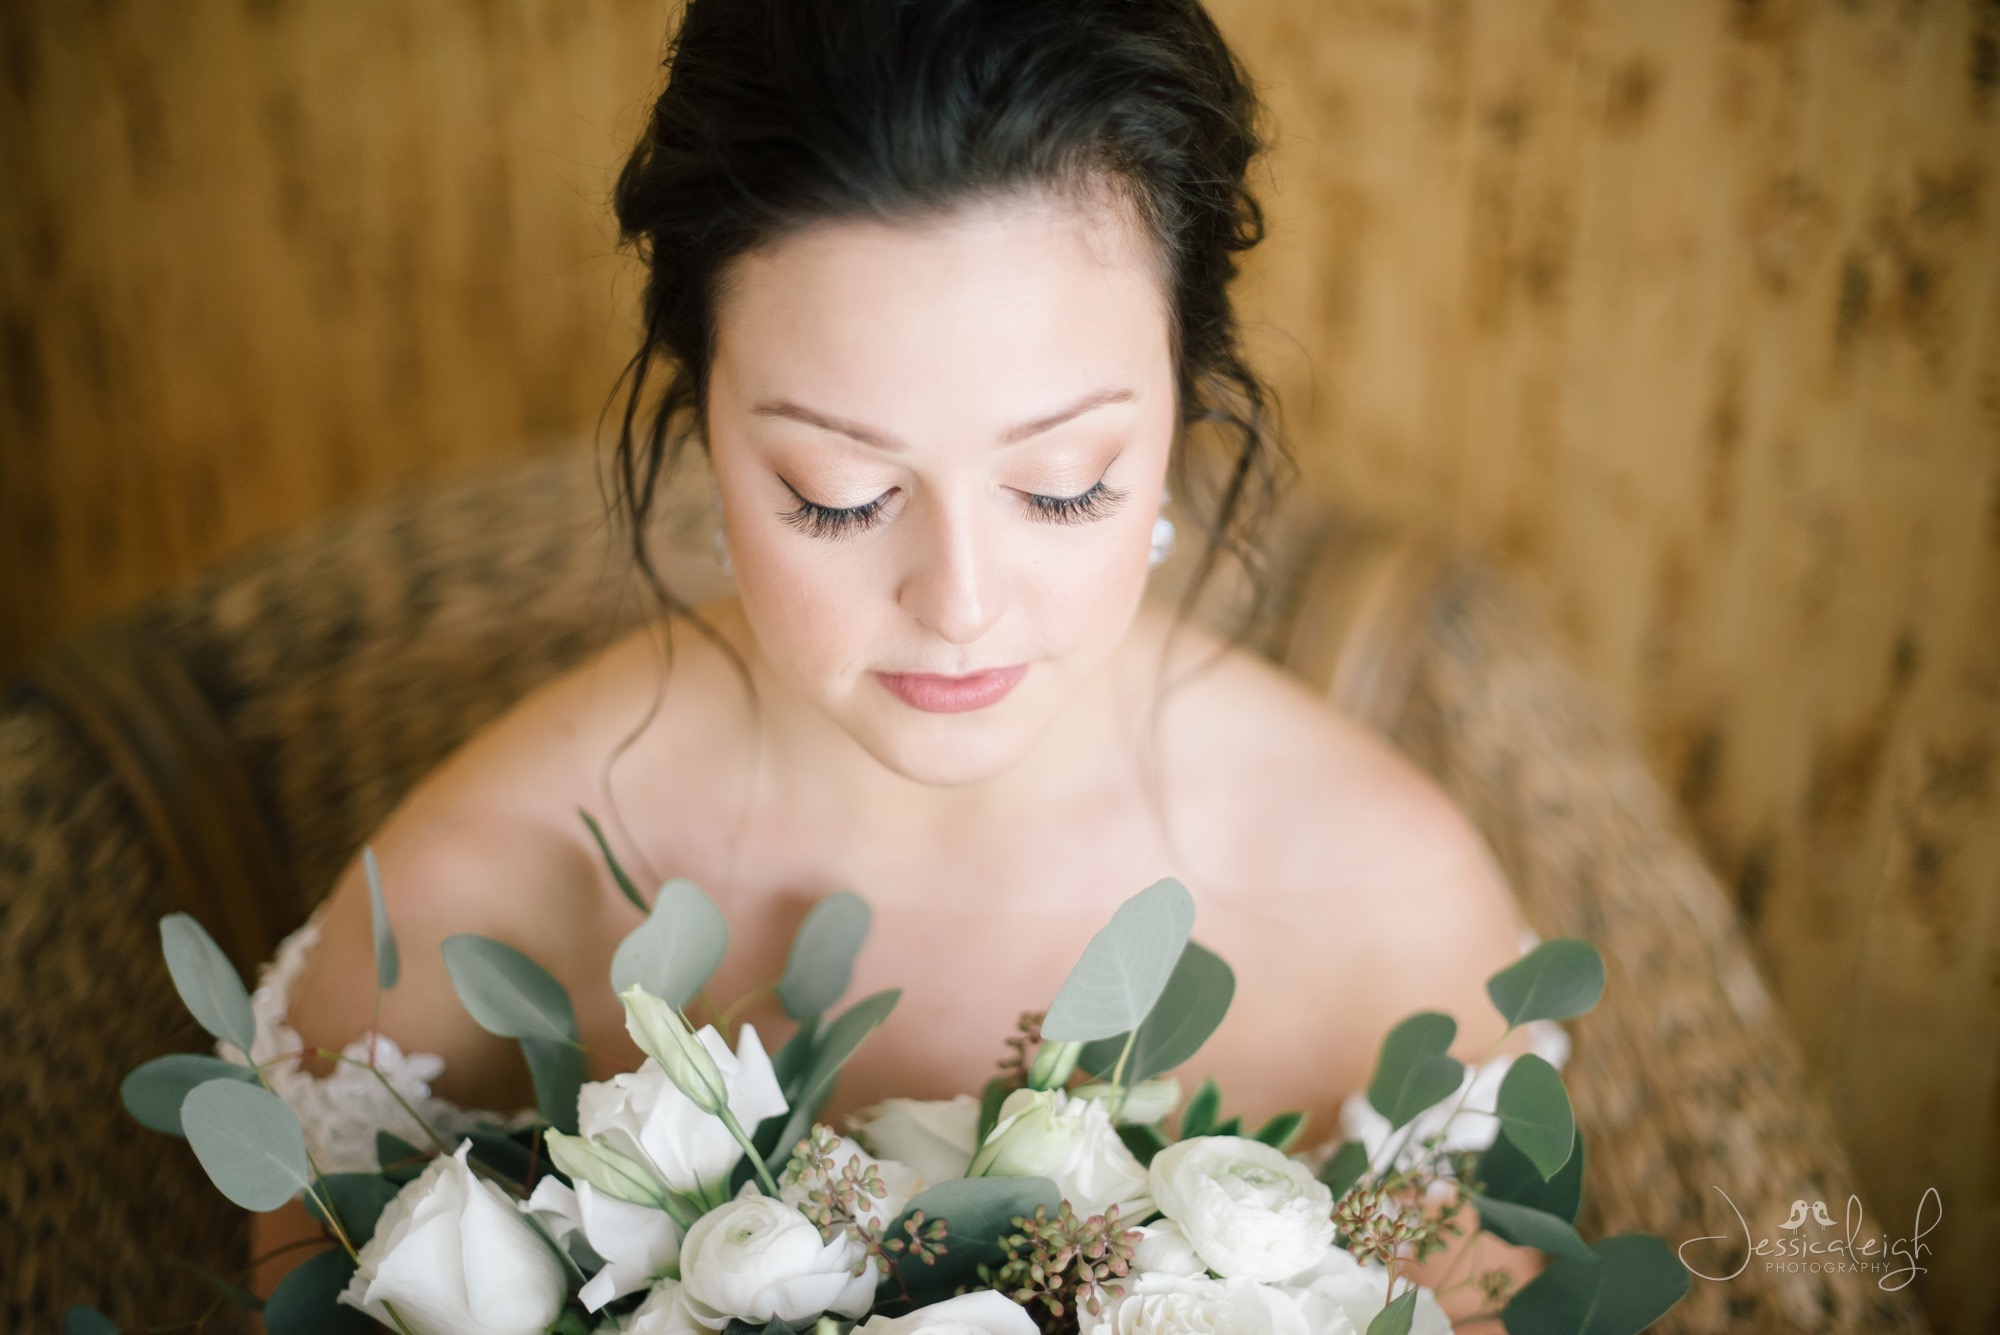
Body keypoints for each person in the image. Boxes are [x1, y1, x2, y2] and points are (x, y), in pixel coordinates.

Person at [243, 0, 1561, 1322]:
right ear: (701, 420)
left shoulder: (1391, 914)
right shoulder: (470, 919)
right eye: (837, 492)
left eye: (1063, 485)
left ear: (1183, 405)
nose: (963, 605)